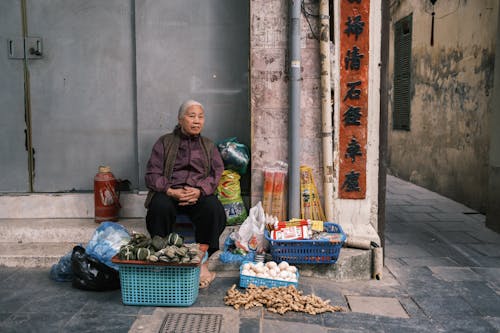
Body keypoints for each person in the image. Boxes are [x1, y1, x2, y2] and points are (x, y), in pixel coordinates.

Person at [144, 99, 226, 289]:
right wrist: (171, 191)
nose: (197, 121)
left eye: (201, 117)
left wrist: (200, 190)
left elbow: (217, 173)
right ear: (180, 120)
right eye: (192, 116)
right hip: (171, 191)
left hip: (198, 194)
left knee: (213, 209)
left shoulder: (208, 145)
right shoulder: (164, 142)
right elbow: (152, 174)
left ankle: (203, 262)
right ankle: (162, 259)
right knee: (159, 206)